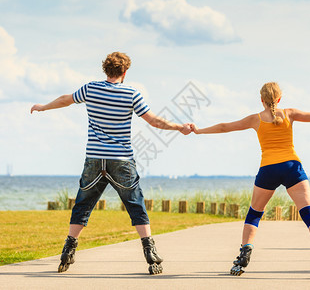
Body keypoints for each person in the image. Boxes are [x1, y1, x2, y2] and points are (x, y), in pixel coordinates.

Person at [31, 52, 192, 275]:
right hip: (121, 160)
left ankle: (68, 250)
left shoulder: (90, 89)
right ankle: (150, 254)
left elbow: (65, 99)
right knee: (135, 204)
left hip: (95, 159)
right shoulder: (132, 94)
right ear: (125, 72)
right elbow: (154, 120)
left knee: (83, 204)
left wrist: (43, 107)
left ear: (105, 70)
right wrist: (179, 127)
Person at [191, 82, 310, 278]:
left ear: (262, 100)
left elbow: (225, 127)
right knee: (309, 213)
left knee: (254, 213)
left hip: (268, 169)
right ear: (279, 99)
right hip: (292, 167)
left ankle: (242, 259)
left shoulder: (255, 119)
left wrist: (199, 130)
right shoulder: (289, 113)